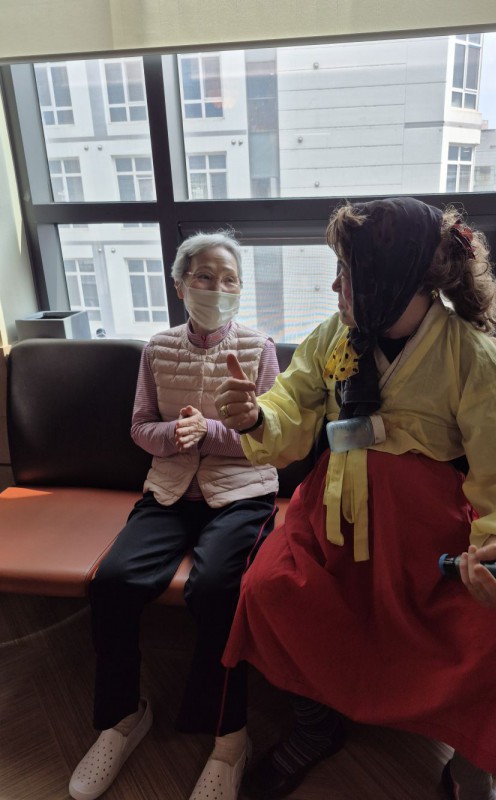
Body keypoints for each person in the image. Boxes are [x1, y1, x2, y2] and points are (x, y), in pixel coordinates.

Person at [214, 197, 496, 800]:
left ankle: (471, 762)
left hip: (427, 543)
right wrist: (255, 416)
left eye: (347, 273)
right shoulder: (332, 337)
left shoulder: (469, 354)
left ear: (391, 278)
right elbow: (290, 408)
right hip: (331, 525)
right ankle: (316, 727)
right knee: (268, 591)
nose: (335, 287)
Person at [69, 231, 279, 800]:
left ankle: (229, 739)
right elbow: (140, 427)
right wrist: (173, 435)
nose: (217, 288)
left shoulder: (259, 348)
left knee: (217, 589)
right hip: (168, 490)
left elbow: (272, 440)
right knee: (113, 581)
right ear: (181, 285)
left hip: (241, 493)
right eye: (204, 276)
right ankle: (122, 717)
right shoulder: (157, 349)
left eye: (229, 279)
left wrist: (208, 431)